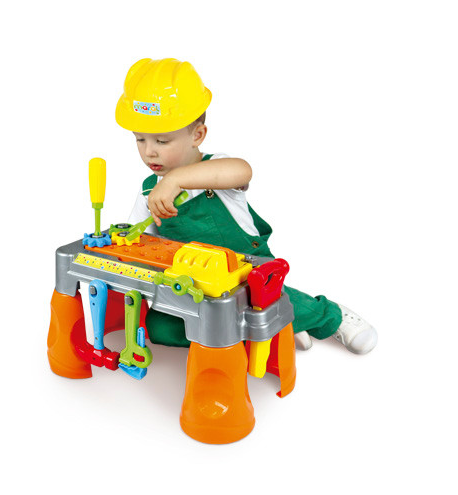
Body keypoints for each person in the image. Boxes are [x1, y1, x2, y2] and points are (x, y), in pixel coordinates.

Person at [115, 58, 378, 354]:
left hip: (246, 269)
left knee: (262, 298)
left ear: (197, 135)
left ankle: (330, 316)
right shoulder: (148, 193)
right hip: (195, 285)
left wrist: (175, 179)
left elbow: (243, 170)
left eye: (162, 141)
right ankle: (272, 328)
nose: (149, 151)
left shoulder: (217, 167)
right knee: (160, 327)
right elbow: (138, 243)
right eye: (140, 139)